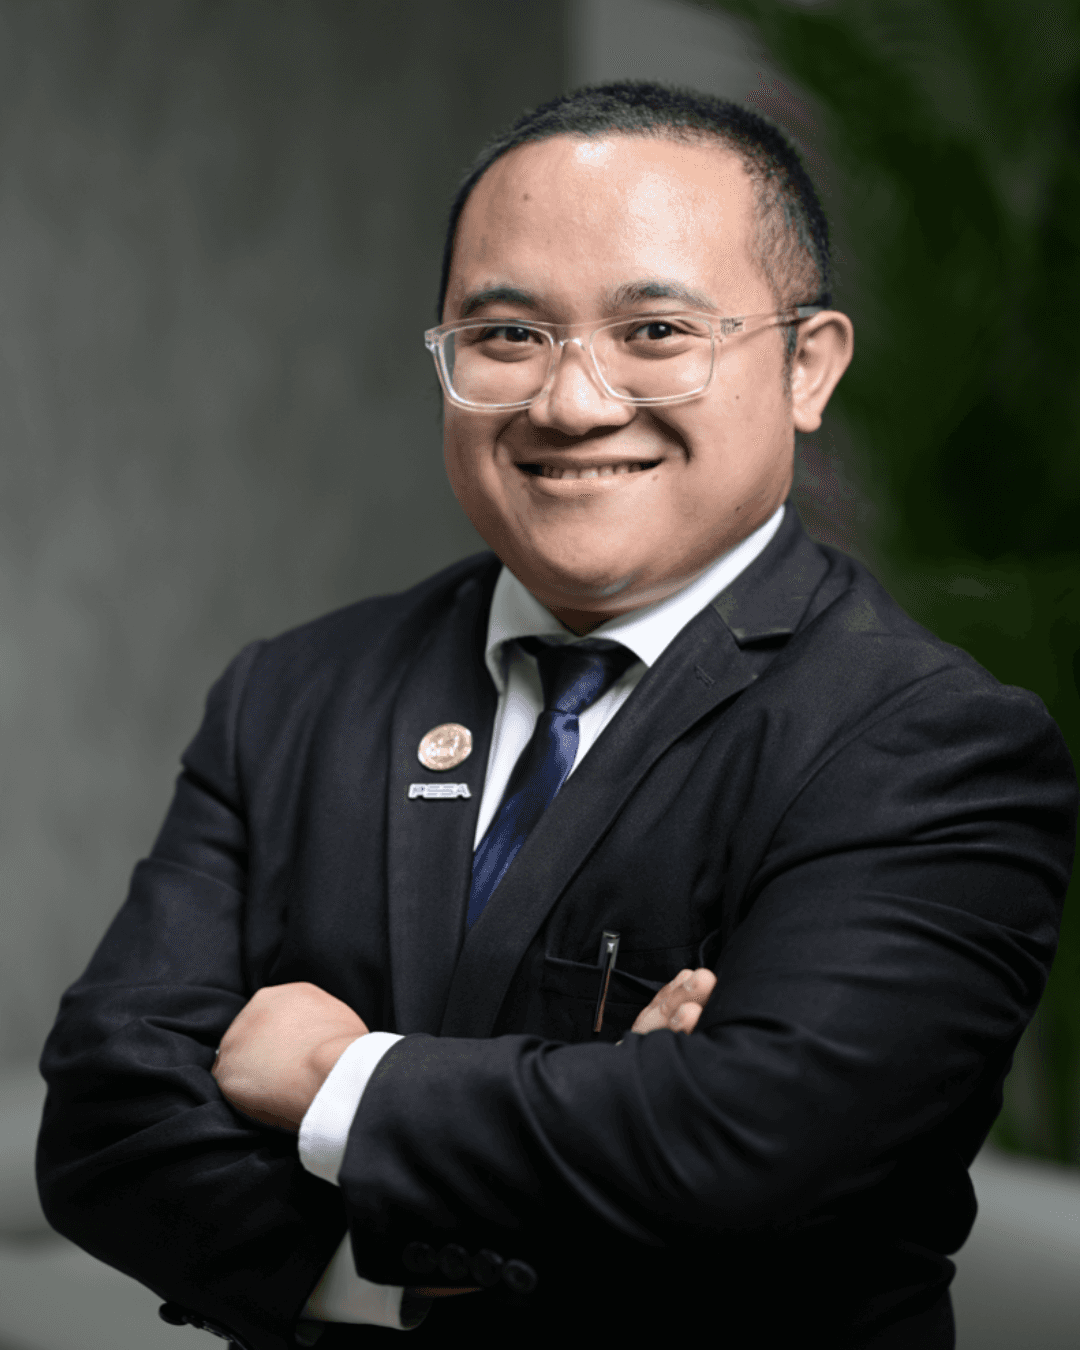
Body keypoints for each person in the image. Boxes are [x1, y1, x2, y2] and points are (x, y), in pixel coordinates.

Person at [37, 83, 1076, 1350]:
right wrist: (440, 1253)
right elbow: (105, 1126)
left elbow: (755, 1150)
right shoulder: (296, 692)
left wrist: (327, 1078)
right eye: (507, 336)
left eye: (655, 330)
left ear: (808, 366)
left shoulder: (927, 744)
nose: (572, 403)